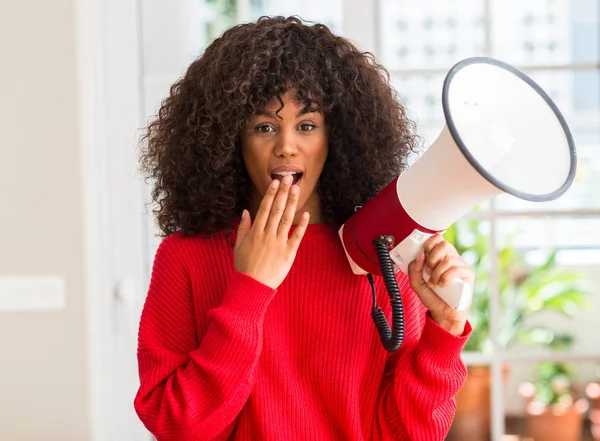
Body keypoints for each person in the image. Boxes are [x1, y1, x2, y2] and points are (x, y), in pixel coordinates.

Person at [134, 15, 474, 441]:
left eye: (307, 125)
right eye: (264, 127)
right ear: (229, 139)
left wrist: (443, 331)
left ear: (337, 137)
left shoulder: (380, 254)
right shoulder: (187, 256)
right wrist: (249, 289)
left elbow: (406, 433)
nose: (286, 145)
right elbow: (175, 423)